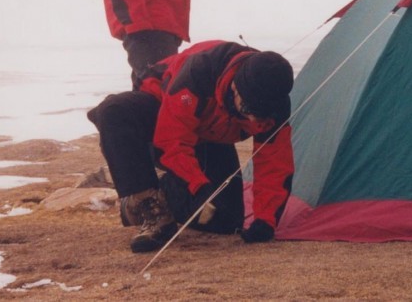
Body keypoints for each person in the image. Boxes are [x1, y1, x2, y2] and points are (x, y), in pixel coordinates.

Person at [87, 40, 295, 253]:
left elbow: (275, 164)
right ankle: (148, 207)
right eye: (248, 108)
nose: (253, 118)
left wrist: (266, 221)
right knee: (113, 111)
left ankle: (164, 191)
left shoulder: (274, 103)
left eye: (261, 113)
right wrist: (197, 185)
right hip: (162, 114)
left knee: (225, 221)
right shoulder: (198, 72)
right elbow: (171, 141)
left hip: (209, 136)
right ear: (235, 86)